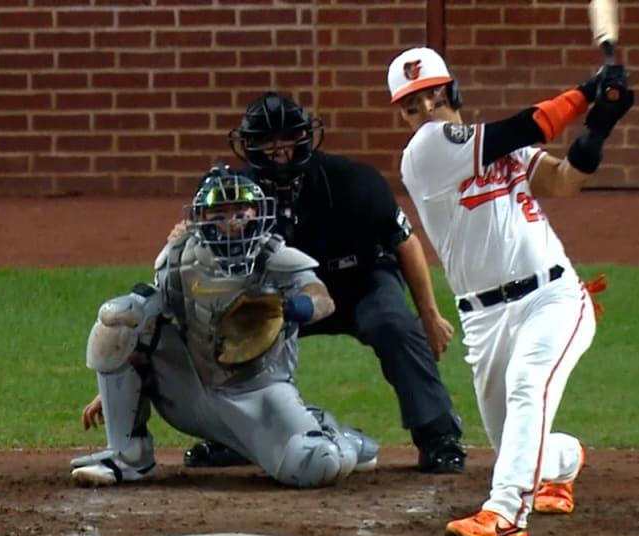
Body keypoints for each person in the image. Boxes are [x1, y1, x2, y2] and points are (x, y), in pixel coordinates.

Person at [386, 46, 632, 536]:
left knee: (527, 387)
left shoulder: (500, 149)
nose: (426, 109)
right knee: (514, 444)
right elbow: (526, 127)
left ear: (449, 88)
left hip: (553, 298)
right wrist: (589, 92)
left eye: (431, 94)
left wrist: (600, 125)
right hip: (483, 320)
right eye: (412, 105)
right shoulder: (426, 154)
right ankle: (564, 463)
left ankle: (505, 514)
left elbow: (565, 180)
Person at [180, 91, 467, 474]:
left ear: (305, 137)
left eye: (286, 138)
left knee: (393, 324)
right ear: (247, 144)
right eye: (265, 141)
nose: (277, 150)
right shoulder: (234, 193)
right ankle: (240, 436)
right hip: (283, 294)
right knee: (229, 329)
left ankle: (438, 434)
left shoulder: (353, 181)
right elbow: (201, 261)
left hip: (360, 279)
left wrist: (429, 316)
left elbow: (406, 243)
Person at [69, 164, 378, 489]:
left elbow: (322, 299)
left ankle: (336, 437)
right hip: (190, 389)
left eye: (240, 211)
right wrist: (115, 391)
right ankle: (127, 456)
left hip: (261, 395)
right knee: (122, 315)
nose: (232, 221)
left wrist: (290, 307)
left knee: (320, 463)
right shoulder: (178, 259)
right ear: (200, 218)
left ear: (257, 213)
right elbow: (141, 327)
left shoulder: (275, 257)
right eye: (221, 212)